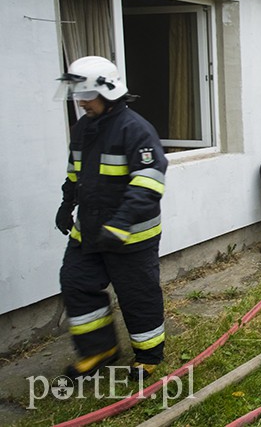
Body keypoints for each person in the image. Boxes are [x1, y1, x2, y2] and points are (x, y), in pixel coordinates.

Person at [54, 56, 168, 381]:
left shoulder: (136, 130)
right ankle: (98, 350)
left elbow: (148, 184)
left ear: (108, 92)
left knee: (137, 295)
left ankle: (148, 355)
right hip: (88, 233)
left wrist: (121, 223)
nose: (81, 101)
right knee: (76, 284)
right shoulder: (83, 130)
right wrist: (66, 204)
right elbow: (75, 173)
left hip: (131, 237)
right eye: (78, 94)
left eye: (86, 94)